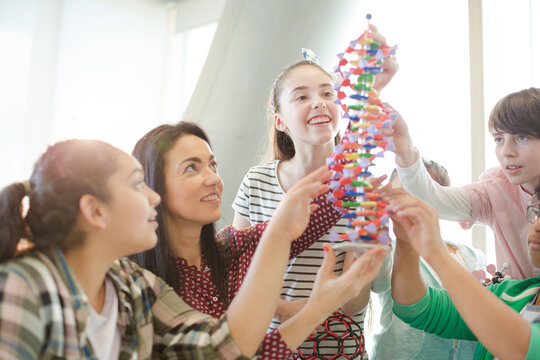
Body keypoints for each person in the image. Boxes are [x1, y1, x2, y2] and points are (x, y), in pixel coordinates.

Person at [0, 139, 386, 359]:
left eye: (213, 164)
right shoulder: (25, 287)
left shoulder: (134, 287)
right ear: (94, 210)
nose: (214, 179)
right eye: (138, 185)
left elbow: (220, 348)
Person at [130, 121, 373, 359]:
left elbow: (315, 213)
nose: (214, 179)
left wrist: (365, 103)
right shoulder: (141, 283)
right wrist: (313, 311)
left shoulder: (231, 249)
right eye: (191, 168)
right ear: (152, 187)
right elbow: (226, 351)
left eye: (213, 165)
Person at [232, 26, 398, 358]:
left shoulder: (360, 188)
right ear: (280, 121)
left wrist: (370, 250)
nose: (319, 103)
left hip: (340, 349)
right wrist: (282, 311)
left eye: (327, 93)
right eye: (302, 96)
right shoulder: (257, 182)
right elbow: (239, 275)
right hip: (269, 348)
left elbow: (354, 303)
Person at [390, 87, 540, 280]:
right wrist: (405, 149)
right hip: (515, 309)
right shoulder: (494, 188)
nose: (506, 152)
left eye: (521, 137)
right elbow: (433, 198)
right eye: (499, 139)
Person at [384, 183, 540, 360]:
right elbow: (418, 308)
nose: (537, 226)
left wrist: (436, 253)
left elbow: (523, 349)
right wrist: (406, 239)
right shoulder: (509, 295)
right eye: (539, 212)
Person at [370, 159, 488, 359]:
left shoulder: (473, 256)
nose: (408, 200)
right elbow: (377, 282)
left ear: (443, 200)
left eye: (419, 191)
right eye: (401, 191)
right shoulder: (389, 250)